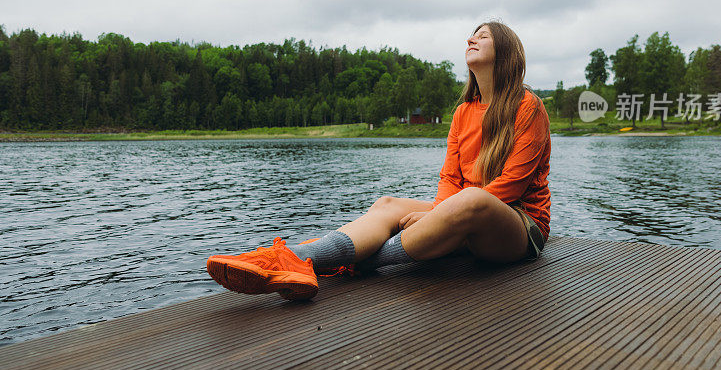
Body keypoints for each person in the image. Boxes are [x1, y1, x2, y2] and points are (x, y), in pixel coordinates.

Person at [206, 21, 551, 300]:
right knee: (387, 204)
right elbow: (449, 177)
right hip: (464, 217)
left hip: (520, 227)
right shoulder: (463, 112)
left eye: (482, 36)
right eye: (471, 35)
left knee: (473, 200)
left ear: (505, 51)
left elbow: (511, 185)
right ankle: (287, 258)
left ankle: (331, 261)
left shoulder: (528, 108)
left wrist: (441, 215)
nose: (470, 39)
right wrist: (440, 213)